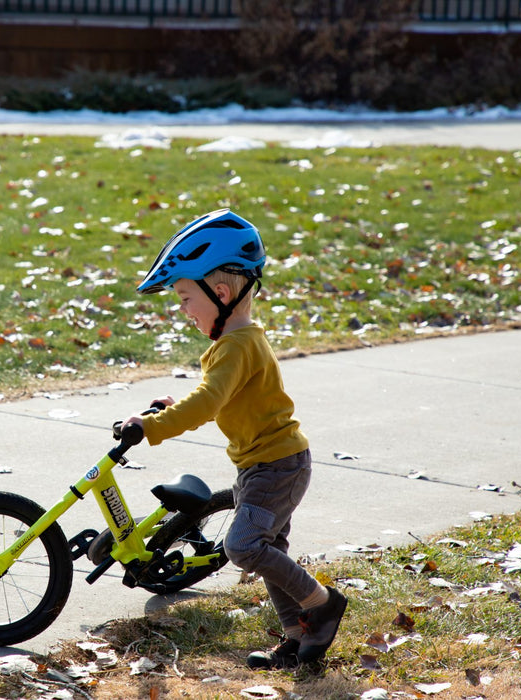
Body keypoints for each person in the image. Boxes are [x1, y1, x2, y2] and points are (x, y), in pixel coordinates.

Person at [121, 208, 347, 670]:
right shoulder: (239, 342)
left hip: (277, 468)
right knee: (269, 551)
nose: (183, 310)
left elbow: (207, 403)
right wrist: (170, 408)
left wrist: (151, 427)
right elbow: (219, 396)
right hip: (264, 465)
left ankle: (322, 605)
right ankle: (299, 639)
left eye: (185, 298)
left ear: (220, 293)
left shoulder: (236, 345)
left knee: (243, 547)